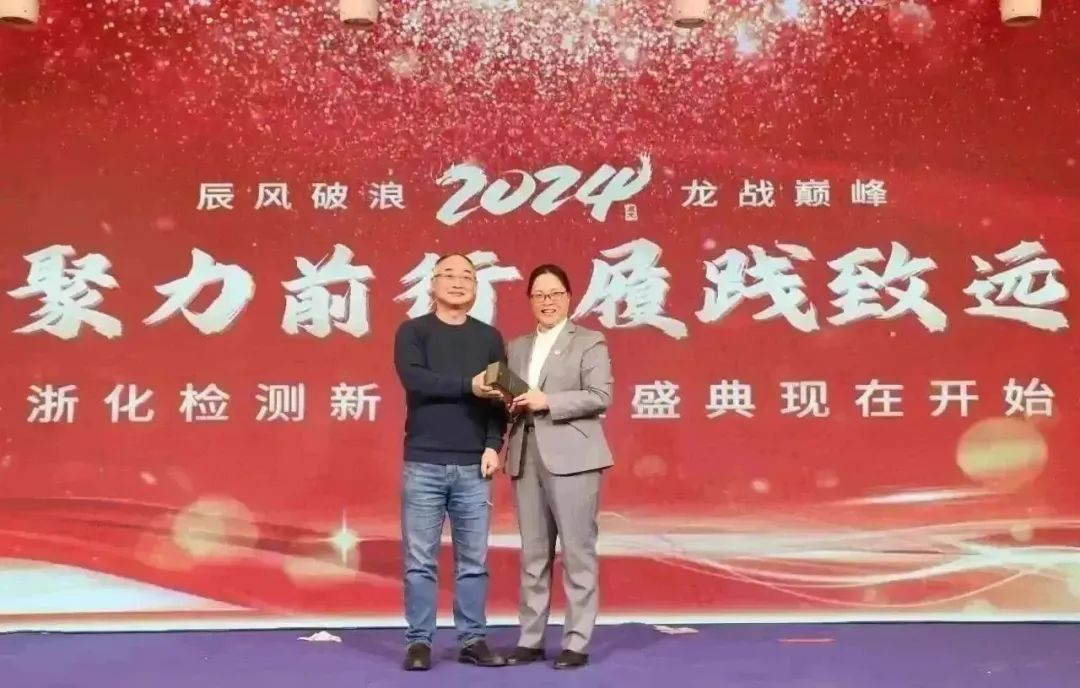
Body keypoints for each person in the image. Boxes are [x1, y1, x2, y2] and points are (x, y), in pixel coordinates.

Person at [392, 253, 508, 671]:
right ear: (433, 283)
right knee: (420, 562)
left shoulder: (489, 337)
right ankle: (418, 643)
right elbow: (415, 379)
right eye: (449, 275)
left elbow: (499, 396)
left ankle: (473, 639)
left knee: (473, 563)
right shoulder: (413, 331)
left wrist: (494, 444)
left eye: (467, 277)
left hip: (474, 465)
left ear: (476, 287)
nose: (458, 282)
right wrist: (468, 385)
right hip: (423, 463)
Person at [501, 264, 613, 670]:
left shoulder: (589, 341)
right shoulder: (516, 347)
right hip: (525, 454)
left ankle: (576, 641)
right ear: (530, 300)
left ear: (568, 298)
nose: (547, 302)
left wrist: (547, 401)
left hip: (574, 457)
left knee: (577, 552)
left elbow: (600, 395)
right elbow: (511, 399)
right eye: (539, 295)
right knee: (533, 555)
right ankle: (530, 639)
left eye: (555, 294)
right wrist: (507, 401)